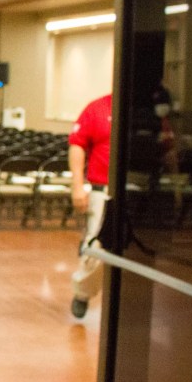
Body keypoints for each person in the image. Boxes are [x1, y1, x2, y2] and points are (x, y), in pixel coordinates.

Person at [69, 93, 112, 319]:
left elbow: (168, 148)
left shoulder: (147, 111)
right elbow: (77, 145)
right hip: (102, 189)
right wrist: (77, 186)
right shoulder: (97, 108)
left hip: (140, 189)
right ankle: (82, 293)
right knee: (97, 244)